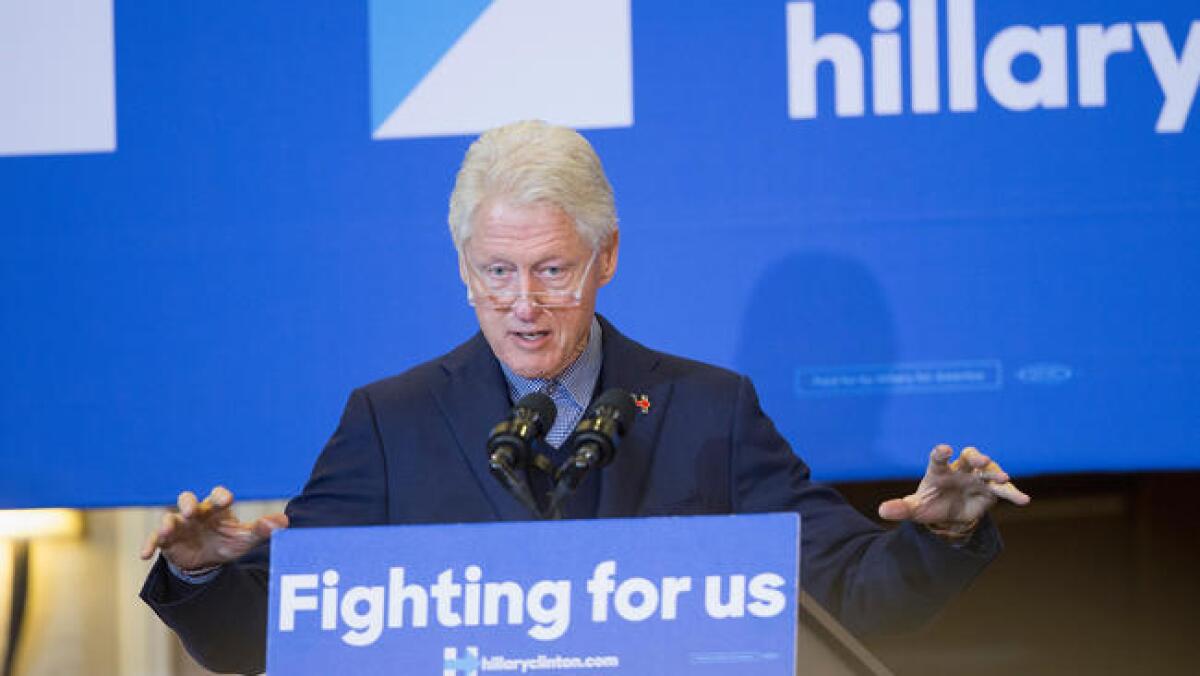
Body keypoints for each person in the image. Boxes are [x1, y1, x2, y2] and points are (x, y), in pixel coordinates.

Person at [139, 120, 1030, 674]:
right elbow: (268, 638)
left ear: (606, 259)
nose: (523, 303)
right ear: (462, 269)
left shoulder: (708, 413)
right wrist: (202, 571)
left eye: (552, 270)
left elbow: (849, 592)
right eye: (497, 272)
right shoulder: (389, 423)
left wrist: (944, 533)